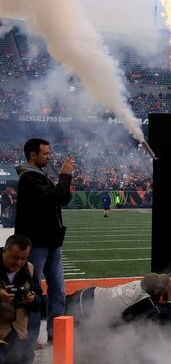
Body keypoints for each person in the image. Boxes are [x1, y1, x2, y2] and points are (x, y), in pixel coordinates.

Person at [13, 138, 74, 346]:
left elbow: (62, 198)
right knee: (33, 291)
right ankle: (28, 339)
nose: (49, 157)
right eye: (45, 154)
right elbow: (55, 197)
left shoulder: (39, 176)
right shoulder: (29, 178)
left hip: (51, 243)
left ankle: (56, 333)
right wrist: (65, 176)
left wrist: (66, 179)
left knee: (58, 289)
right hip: (37, 243)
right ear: (33, 155)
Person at [65, 273, 171, 325]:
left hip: (87, 293)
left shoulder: (139, 284)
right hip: (85, 310)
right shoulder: (144, 300)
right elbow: (166, 319)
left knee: (54, 303)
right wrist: (170, 295)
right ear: (157, 291)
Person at [0, 235, 42, 364]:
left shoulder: (29, 268)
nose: (18, 262)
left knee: (26, 356)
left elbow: (39, 303)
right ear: (4, 251)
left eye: (23, 258)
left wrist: (33, 299)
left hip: (18, 333)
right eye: (14, 257)